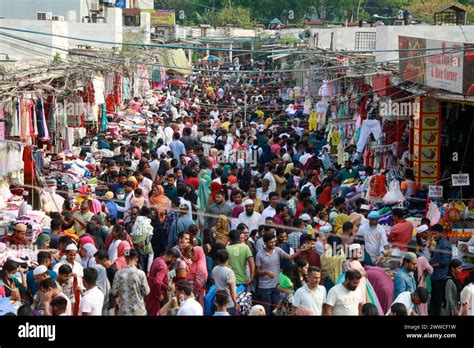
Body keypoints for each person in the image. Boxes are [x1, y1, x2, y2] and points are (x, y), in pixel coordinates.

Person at [255, 232, 309, 315]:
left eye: (274, 241)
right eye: (271, 242)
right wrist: (266, 272)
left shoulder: (277, 250)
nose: (273, 244)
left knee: (276, 311)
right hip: (264, 287)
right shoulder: (259, 255)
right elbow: (257, 271)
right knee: (267, 311)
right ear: (265, 243)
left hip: (277, 286)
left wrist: (300, 250)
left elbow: (290, 257)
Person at [111, 249, 150, 315]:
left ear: (125, 259)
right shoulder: (141, 274)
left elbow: (114, 292)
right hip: (139, 310)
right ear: (136, 259)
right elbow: (146, 292)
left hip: (124, 311)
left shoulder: (118, 274)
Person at [146, 248, 180, 316]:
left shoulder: (157, 259)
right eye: (174, 260)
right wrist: (159, 295)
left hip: (150, 293)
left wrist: (166, 286)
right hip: (155, 296)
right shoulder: (163, 266)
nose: (173, 262)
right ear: (171, 256)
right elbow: (157, 282)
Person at [429, 224, 452, 316]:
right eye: (433, 234)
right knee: (434, 297)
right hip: (435, 275)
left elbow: (445, 262)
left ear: (442, 233)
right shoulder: (438, 243)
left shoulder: (445, 244)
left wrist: (431, 266)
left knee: (437, 298)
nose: (434, 236)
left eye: (436, 234)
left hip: (440, 276)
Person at [212, 249, 238, 315]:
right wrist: (235, 302)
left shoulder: (215, 269)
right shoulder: (229, 272)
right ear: (228, 258)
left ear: (218, 259)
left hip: (217, 300)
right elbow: (232, 290)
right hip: (228, 302)